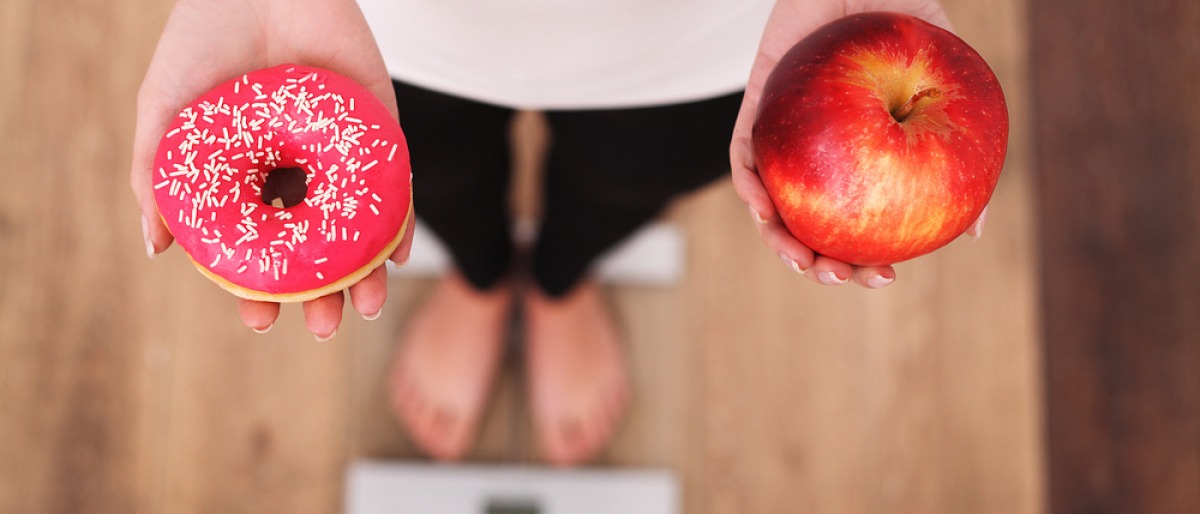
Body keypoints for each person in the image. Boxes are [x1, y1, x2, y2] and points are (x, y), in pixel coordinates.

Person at [131, 0, 982, 467]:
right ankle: (480, 272)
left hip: (709, 34)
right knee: (433, 173)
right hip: (382, 22)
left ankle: (560, 279)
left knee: (628, 176)